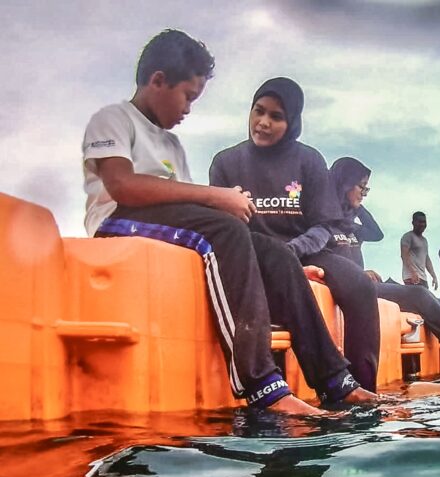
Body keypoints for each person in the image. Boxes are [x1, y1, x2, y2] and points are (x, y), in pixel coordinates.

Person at [82, 30, 374, 417]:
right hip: (118, 219)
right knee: (227, 229)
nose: (188, 108)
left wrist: (271, 260)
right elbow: (122, 186)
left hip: (162, 224)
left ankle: (335, 381)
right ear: (157, 81)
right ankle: (262, 386)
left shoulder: (171, 145)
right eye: (188, 96)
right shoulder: (113, 119)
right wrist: (217, 197)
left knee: (275, 253)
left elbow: (184, 208)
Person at [209, 77, 381, 392]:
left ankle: (364, 386)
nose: (263, 123)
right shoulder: (225, 162)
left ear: (292, 122)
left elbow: (324, 225)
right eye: (258, 111)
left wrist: (292, 250)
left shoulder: (309, 160)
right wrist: (273, 257)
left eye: (276, 117)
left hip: (308, 250)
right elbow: (224, 227)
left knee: (360, 287)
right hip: (254, 253)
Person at [328, 157, 440, 372]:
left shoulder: (351, 227)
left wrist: (356, 206)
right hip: (352, 287)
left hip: (365, 285)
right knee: (419, 295)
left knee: (432, 300)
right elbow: (324, 260)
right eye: (361, 187)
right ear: (344, 184)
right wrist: (357, 274)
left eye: (367, 189)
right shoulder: (325, 224)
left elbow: (376, 233)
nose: (364, 193)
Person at [400, 211, 439, 290]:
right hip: (411, 278)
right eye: (420, 222)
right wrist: (413, 272)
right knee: (415, 302)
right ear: (413, 222)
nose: (422, 224)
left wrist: (434, 276)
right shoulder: (408, 236)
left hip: (423, 278)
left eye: (424, 222)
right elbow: (404, 255)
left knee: (425, 301)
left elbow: (426, 259)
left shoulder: (424, 240)